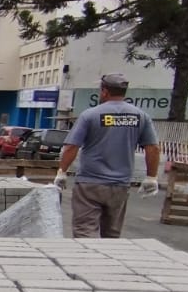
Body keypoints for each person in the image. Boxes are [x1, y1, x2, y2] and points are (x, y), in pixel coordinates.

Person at [54, 73, 160, 238]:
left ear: (104, 91)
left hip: (90, 184)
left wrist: (62, 172)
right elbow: (152, 148)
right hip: (120, 185)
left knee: (85, 231)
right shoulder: (140, 116)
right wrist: (151, 177)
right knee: (111, 235)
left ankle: (87, 262)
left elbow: (71, 147)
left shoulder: (90, 115)